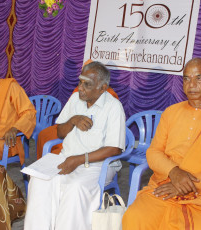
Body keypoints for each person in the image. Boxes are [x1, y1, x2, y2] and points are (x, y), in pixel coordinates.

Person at [122, 58, 201, 229]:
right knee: (134, 218)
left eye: (198, 78)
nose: (191, 84)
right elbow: (154, 152)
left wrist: (188, 184)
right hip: (166, 183)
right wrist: (174, 172)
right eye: (186, 78)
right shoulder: (171, 113)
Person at [24, 61, 126, 230]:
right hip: (67, 157)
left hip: (97, 165)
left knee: (74, 188)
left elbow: (114, 148)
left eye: (87, 84)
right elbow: (60, 133)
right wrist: (72, 120)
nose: (80, 88)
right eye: (80, 82)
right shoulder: (75, 99)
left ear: (102, 88)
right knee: (39, 180)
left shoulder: (114, 107)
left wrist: (79, 160)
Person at [36, 86, 119, 159]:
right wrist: (72, 121)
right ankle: (43, 163)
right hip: (72, 123)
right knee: (43, 134)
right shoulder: (77, 91)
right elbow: (69, 112)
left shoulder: (109, 96)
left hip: (89, 128)